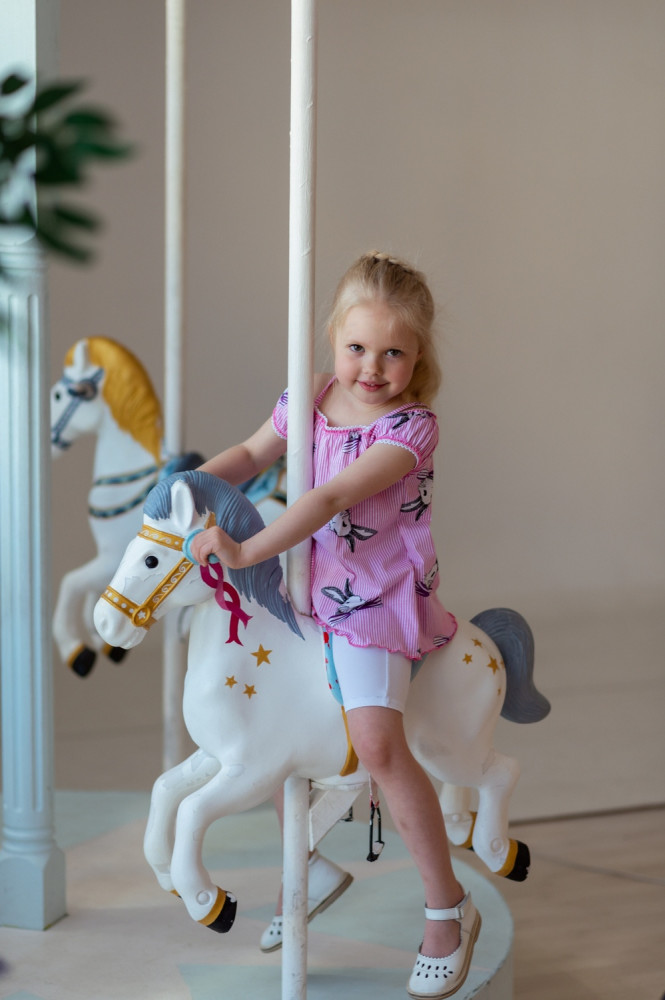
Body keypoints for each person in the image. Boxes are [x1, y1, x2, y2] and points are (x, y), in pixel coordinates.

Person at [193, 251, 480, 999]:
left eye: (393, 353)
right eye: (357, 347)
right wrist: (187, 489)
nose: (372, 368)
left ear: (419, 356)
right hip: (305, 587)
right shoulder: (311, 395)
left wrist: (244, 549)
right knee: (262, 720)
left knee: (379, 745)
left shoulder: (411, 428)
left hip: (371, 600)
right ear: (331, 339)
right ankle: (312, 865)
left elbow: (327, 501)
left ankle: (447, 908)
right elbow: (253, 452)